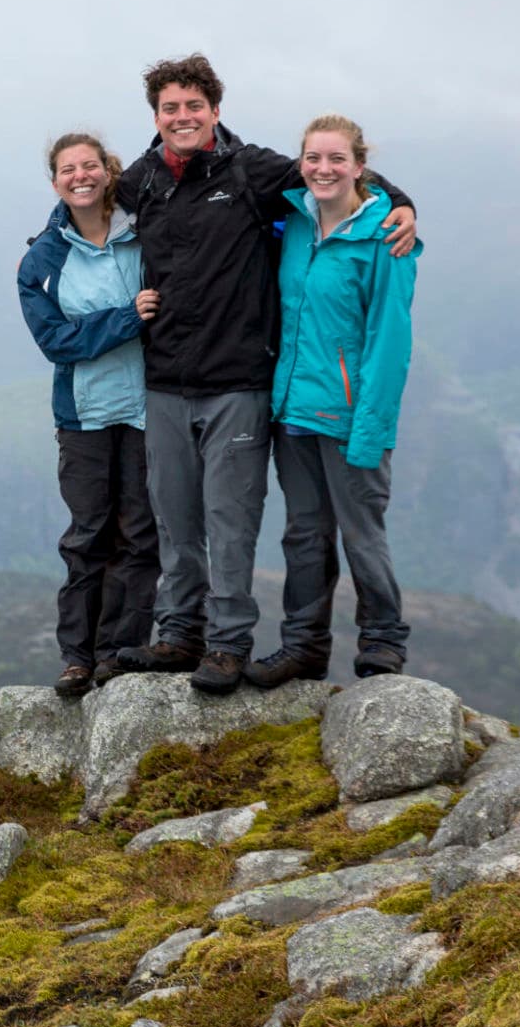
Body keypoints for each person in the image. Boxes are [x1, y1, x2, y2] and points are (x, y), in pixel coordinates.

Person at [110, 54, 417, 695]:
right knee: (191, 520)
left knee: (239, 522)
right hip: (184, 381)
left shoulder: (254, 171)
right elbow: (83, 211)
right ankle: (189, 636)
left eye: (195, 105)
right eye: (171, 107)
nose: (183, 116)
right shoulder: (139, 181)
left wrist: (403, 203)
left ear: (216, 110)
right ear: (156, 116)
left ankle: (239, 645)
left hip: (243, 384)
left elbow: (332, 181)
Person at [242, 115, 416, 687]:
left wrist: (370, 430)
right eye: (313, 158)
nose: (323, 169)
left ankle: (384, 644)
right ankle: (303, 647)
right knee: (303, 535)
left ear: (359, 166)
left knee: (361, 532)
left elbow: (388, 344)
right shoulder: (292, 225)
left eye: (336, 159)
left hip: (349, 418)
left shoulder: (385, 239)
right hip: (293, 413)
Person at [16, 133, 162, 698]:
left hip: (151, 405)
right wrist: (127, 319)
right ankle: (77, 657)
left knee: (140, 534)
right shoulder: (42, 261)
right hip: (84, 414)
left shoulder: (145, 232)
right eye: (68, 170)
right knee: (88, 536)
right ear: (55, 183)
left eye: (90, 165)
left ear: (107, 171)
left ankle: (119, 653)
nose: (81, 176)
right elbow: (56, 341)